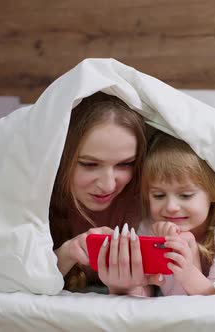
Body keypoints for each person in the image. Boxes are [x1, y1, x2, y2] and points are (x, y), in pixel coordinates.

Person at [49, 92, 150, 294]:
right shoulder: (36, 196)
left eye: (125, 164)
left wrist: (124, 287)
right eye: (89, 164)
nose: (108, 185)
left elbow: (145, 293)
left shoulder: (147, 198)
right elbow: (17, 276)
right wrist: (67, 253)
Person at [107, 132, 215, 296]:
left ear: (214, 193)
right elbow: (144, 294)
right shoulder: (149, 228)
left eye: (186, 195)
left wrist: (188, 270)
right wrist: (124, 286)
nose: (171, 207)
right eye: (159, 195)